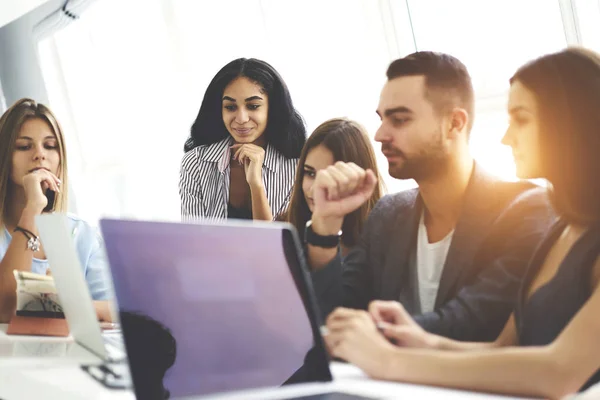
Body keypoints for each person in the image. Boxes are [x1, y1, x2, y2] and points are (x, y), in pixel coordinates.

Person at [323, 47, 600, 398]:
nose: (505, 137)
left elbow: (559, 372)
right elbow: (504, 350)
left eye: (522, 119)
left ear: (572, 123)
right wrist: (421, 340)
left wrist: (391, 361)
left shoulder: (536, 215)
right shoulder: (563, 229)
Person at [306, 51, 555, 342]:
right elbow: (333, 316)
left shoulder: (525, 211)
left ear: (454, 123)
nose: (380, 134)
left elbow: (470, 324)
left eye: (399, 119)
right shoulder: (388, 214)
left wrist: (365, 334)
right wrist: (325, 227)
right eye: (382, 119)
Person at [0, 98, 112, 323]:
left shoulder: (82, 234)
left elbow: (116, 311)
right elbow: (5, 310)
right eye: (24, 146)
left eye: (50, 146)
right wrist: (33, 208)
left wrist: (61, 305)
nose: (40, 155)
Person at [180, 58, 306, 221]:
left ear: (272, 108)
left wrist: (256, 185)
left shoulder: (298, 168)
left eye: (253, 106)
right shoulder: (195, 163)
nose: (241, 118)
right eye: (230, 107)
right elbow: (192, 239)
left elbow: (277, 244)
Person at [280, 118, 384, 257]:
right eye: (310, 173)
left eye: (330, 177)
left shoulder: (381, 239)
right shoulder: (285, 227)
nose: (314, 190)